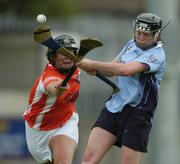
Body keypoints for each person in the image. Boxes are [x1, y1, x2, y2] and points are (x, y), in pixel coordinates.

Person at [77, 13, 166, 164]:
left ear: (156, 34)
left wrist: (93, 64)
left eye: (146, 34)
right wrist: (94, 70)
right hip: (114, 107)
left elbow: (125, 70)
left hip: (138, 114)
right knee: (88, 159)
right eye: (138, 32)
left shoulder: (157, 55)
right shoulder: (131, 44)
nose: (141, 37)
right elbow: (112, 70)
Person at [23, 35, 80, 164]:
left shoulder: (76, 69)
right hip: (38, 130)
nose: (67, 56)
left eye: (71, 52)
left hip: (65, 122)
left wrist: (93, 67)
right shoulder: (47, 77)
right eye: (62, 53)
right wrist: (59, 88)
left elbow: (88, 66)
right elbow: (52, 87)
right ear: (53, 57)